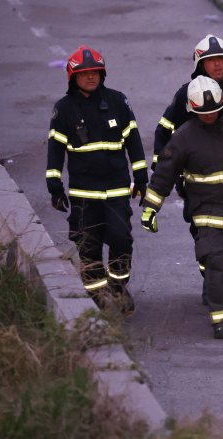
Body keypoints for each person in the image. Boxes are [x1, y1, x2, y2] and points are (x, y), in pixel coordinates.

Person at [139, 76, 223, 340]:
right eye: (204, 113)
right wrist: (151, 208)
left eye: (213, 111)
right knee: (218, 264)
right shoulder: (183, 138)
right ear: (192, 110)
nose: (209, 116)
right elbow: (164, 174)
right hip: (207, 213)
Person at [45, 44, 148, 316]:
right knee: (87, 245)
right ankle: (97, 294)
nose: (90, 77)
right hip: (83, 193)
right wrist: (54, 185)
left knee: (121, 240)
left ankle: (117, 286)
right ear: (73, 77)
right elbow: (55, 149)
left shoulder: (118, 101)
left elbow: (133, 141)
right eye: (84, 73)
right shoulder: (64, 109)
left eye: (95, 72)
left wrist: (141, 176)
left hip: (116, 190)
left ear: (102, 74)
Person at [152, 33, 223, 167]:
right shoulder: (186, 94)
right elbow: (164, 130)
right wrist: (161, 167)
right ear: (200, 65)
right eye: (211, 60)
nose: (217, 64)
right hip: (195, 174)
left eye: (221, 59)